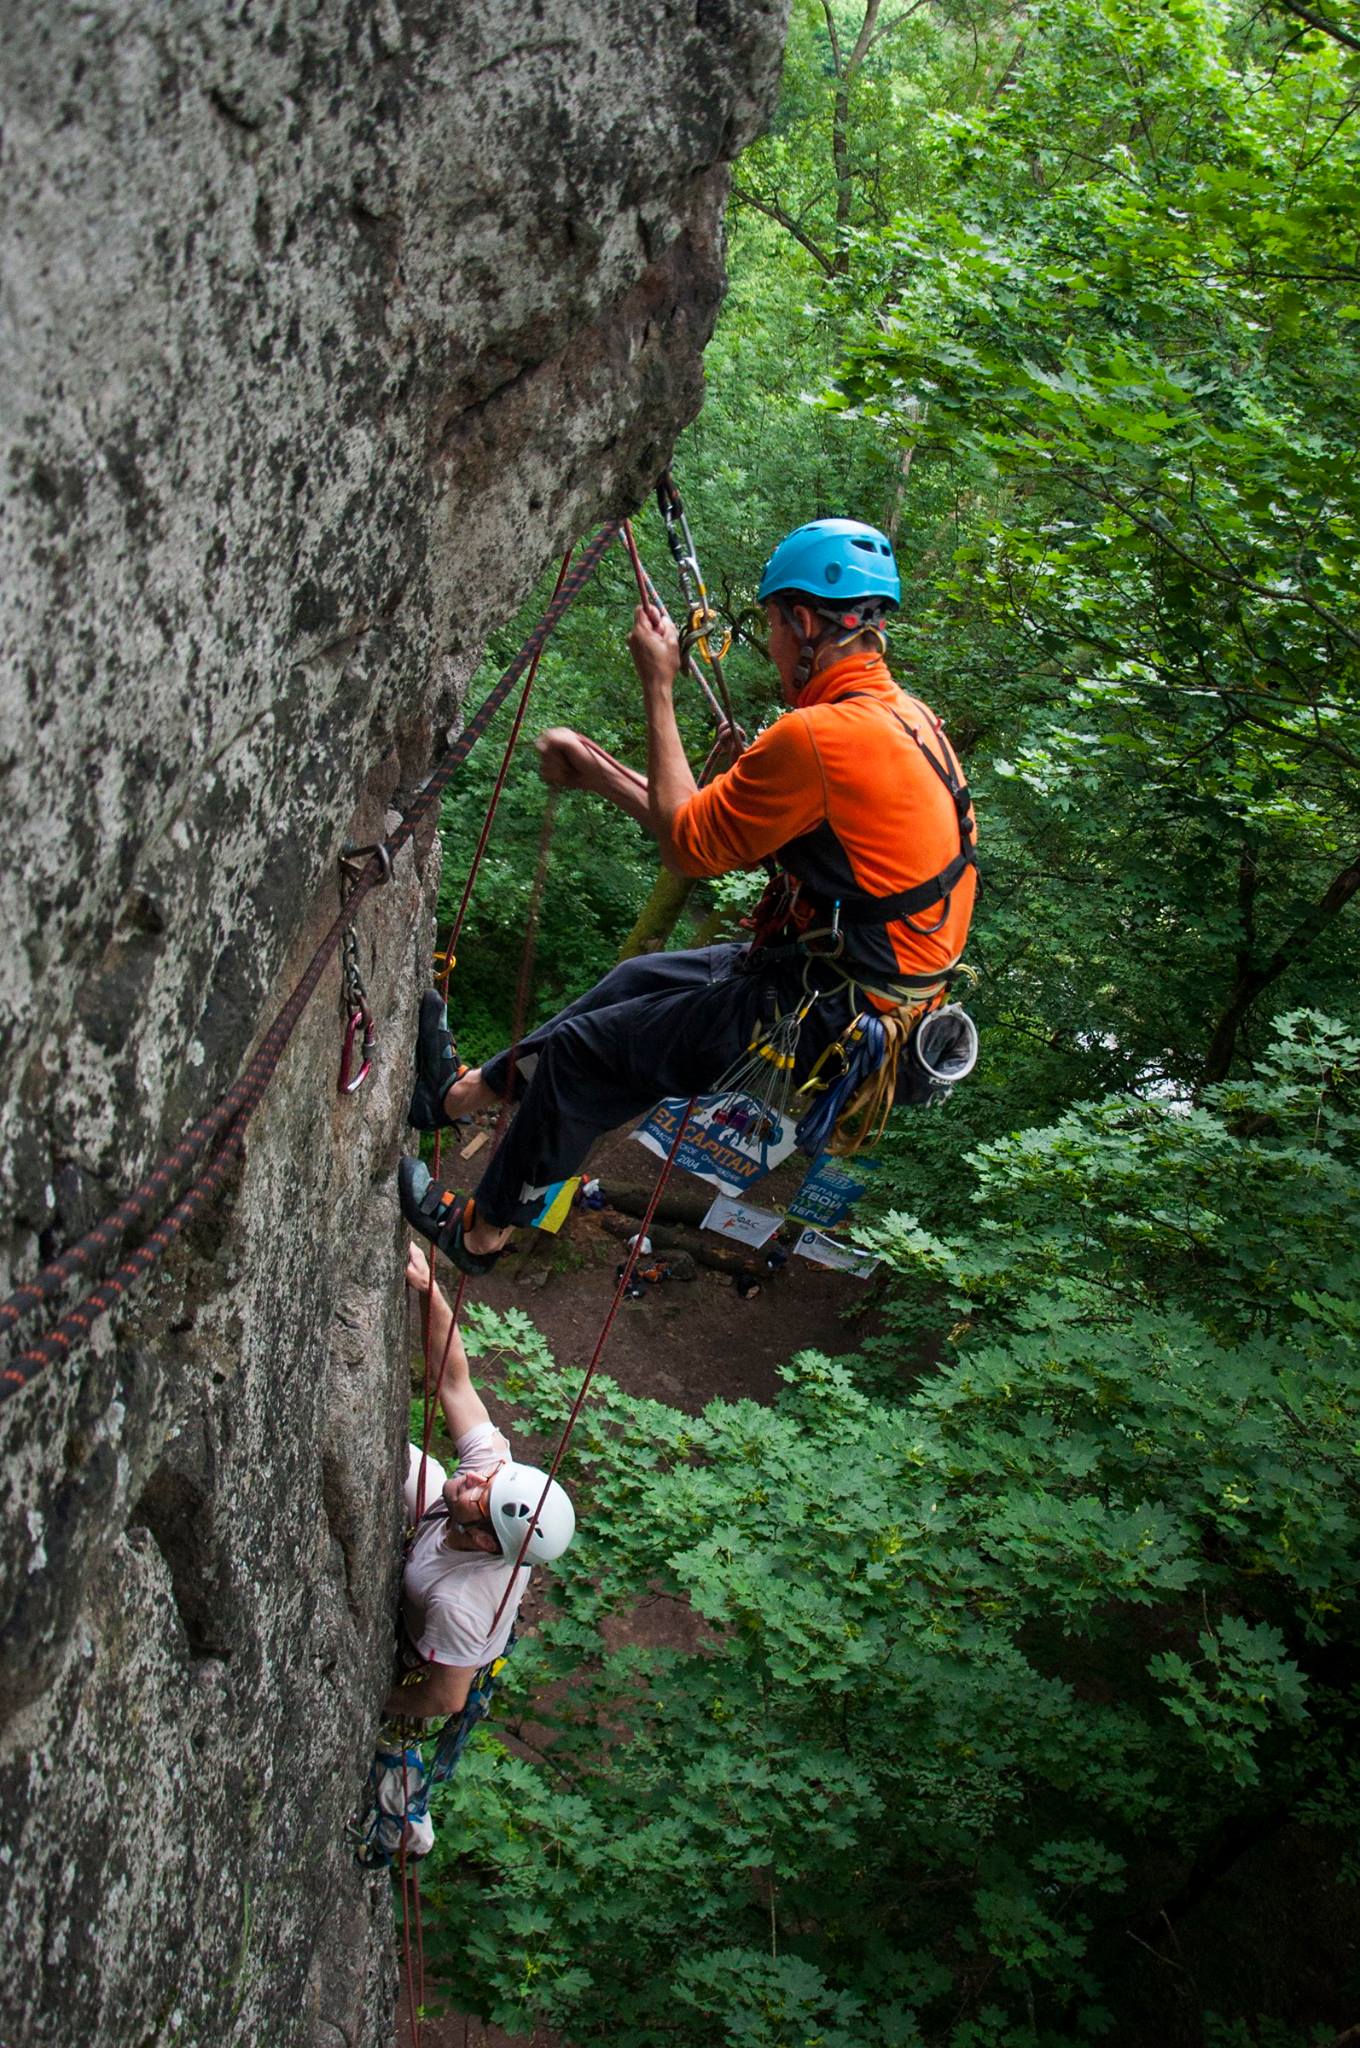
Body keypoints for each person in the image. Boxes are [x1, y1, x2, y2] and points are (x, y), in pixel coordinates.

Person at [398, 517, 978, 1275]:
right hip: (831, 986)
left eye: (771, 626)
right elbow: (709, 827)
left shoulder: (821, 739)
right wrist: (602, 771)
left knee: (580, 1061)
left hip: (824, 1010)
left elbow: (687, 847)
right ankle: (458, 1096)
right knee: (633, 981)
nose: (771, 646)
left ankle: (481, 1231)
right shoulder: (907, 722)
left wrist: (658, 683)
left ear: (804, 624)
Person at [384, 1243, 575, 1723]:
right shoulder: (492, 1475)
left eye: (478, 1494)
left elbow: (446, 1699)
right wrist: (429, 1290)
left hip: (420, 1631)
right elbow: (453, 1381)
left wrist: (371, 1706)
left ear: (487, 1539)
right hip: (437, 1541)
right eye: (487, 1479)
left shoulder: (460, 1607)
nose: (470, 1478)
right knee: (397, 1459)